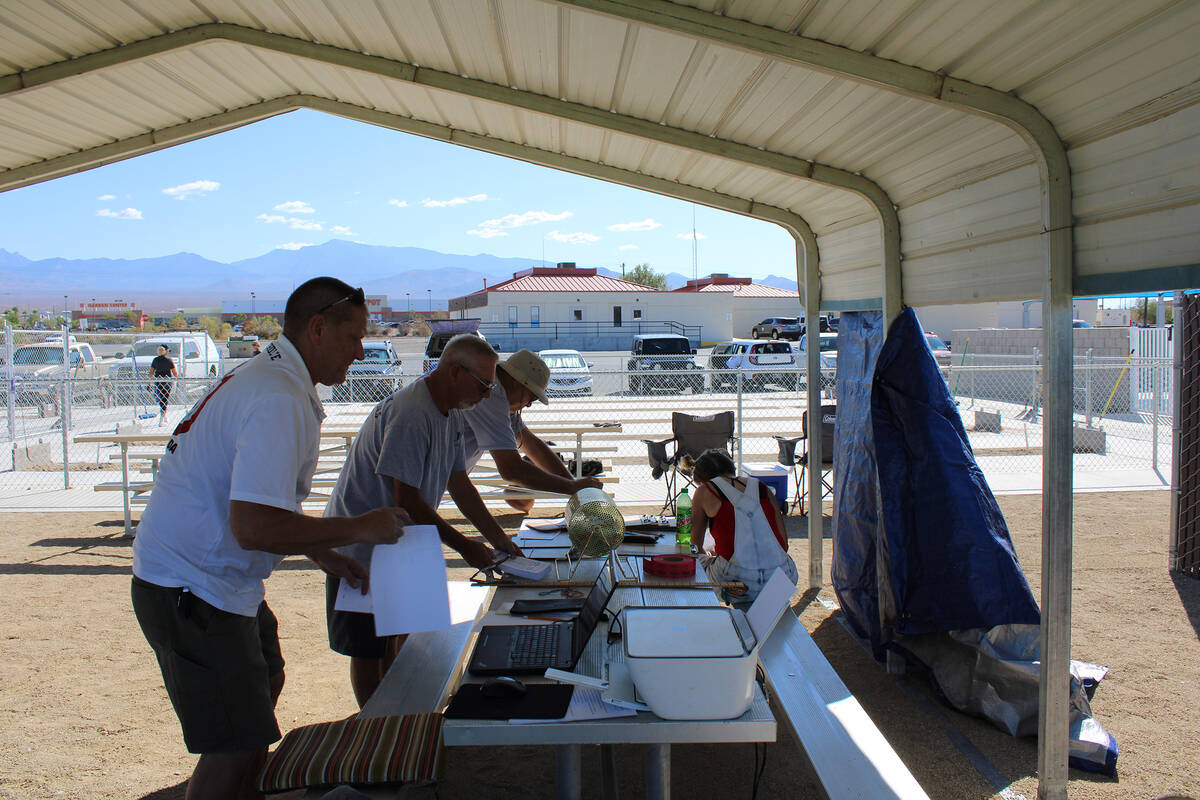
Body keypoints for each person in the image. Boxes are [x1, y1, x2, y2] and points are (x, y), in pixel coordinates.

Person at [130, 277, 408, 800]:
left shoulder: (272, 378)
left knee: (266, 681)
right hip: (193, 589)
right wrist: (359, 527)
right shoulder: (278, 396)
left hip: (209, 584)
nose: (360, 352)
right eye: (353, 339)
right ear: (318, 328)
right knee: (234, 744)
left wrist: (322, 550)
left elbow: (266, 501)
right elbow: (253, 526)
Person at [324, 333, 524, 707]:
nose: (487, 394)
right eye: (483, 384)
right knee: (369, 650)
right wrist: (465, 546)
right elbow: (410, 502)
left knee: (406, 638)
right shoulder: (413, 412)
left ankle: (400, 719)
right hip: (362, 549)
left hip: (404, 543)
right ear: (453, 372)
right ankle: (378, 730)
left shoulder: (449, 411)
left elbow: (458, 482)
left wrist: (496, 538)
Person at [461, 348, 603, 512]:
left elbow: (533, 446)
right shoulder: (492, 397)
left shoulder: (503, 397)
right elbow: (511, 470)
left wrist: (574, 487)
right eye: (532, 397)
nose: (529, 404)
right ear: (517, 382)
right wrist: (572, 487)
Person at [690, 448, 798, 608]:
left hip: (737, 583)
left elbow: (694, 545)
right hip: (782, 577)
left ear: (702, 479)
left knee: (693, 560)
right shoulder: (761, 486)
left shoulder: (705, 491)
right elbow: (783, 543)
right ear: (731, 469)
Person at [149, 344, 177, 426]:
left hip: (159, 381)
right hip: (167, 382)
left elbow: (151, 372)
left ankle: (164, 416)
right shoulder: (169, 360)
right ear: (166, 351)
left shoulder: (155, 360)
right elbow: (174, 372)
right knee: (165, 399)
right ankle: (162, 418)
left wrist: (149, 382)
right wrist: (177, 380)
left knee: (162, 398)